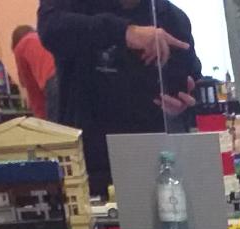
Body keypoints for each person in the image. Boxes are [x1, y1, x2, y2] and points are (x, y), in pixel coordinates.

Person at [37, 0, 201, 194]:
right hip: (88, 165)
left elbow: (191, 79)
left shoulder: (170, 17)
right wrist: (126, 32)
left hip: (154, 164)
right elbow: (50, 28)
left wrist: (182, 104)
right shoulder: (75, 7)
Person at [12, 24, 56, 118]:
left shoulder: (20, 48)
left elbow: (33, 90)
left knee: (58, 125)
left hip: (55, 81)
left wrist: (40, 119)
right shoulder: (45, 37)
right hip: (76, 74)